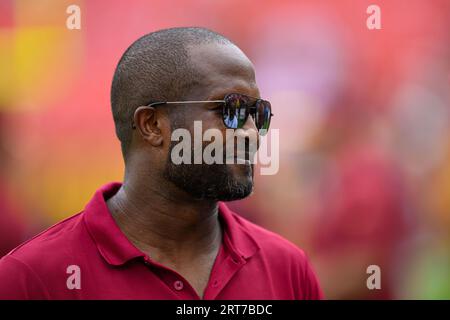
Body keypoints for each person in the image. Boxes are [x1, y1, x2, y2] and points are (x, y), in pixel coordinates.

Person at [0, 27, 322, 299]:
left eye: (258, 113)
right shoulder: (33, 278)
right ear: (152, 125)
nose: (251, 133)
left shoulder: (287, 269)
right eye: (231, 110)